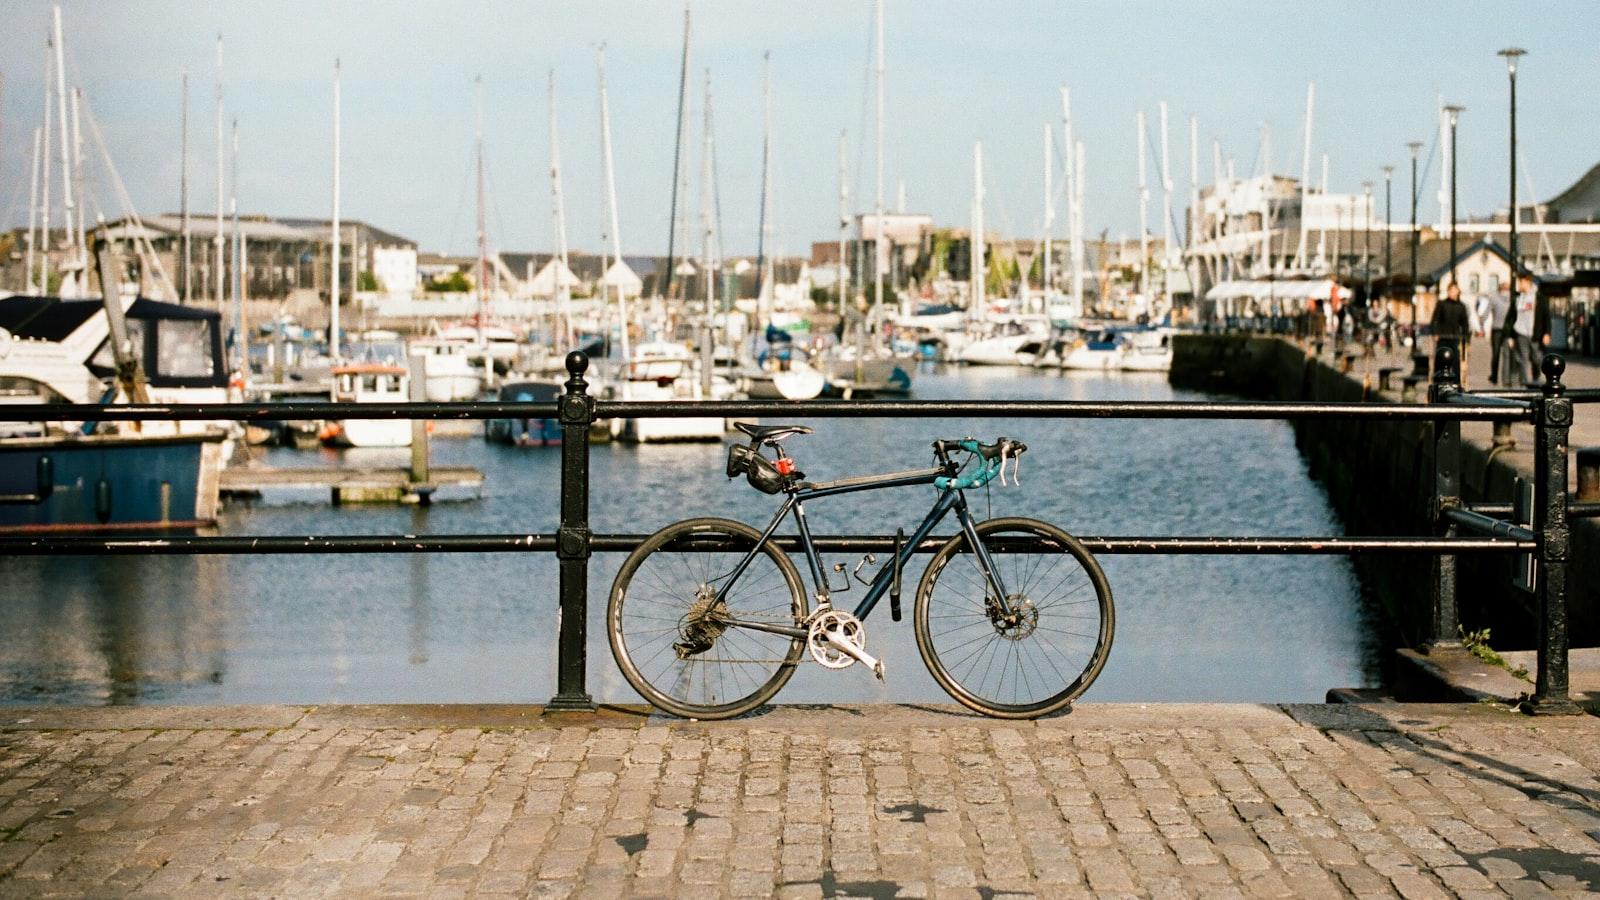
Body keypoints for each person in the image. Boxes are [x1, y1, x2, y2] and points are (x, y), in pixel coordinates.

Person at [1507, 274, 1547, 386]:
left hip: (1535, 334)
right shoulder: (1518, 299)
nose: (1519, 285)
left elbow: (1546, 316)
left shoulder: (1538, 297)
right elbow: (1511, 318)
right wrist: (1511, 336)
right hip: (1520, 333)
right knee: (1522, 359)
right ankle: (1524, 383)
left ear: (1527, 282)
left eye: (1521, 282)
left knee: (1537, 358)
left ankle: (1536, 380)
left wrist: (1547, 333)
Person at [1430, 281, 1472, 381]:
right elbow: (1435, 320)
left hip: (1455, 337)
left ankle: (1456, 382)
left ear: (1458, 291)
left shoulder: (1461, 306)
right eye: (1450, 290)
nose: (1452, 292)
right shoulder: (1442, 304)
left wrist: (1467, 340)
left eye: (1454, 290)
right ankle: (1438, 381)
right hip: (1443, 336)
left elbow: (1465, 324)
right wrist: (1435, 333)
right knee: (1440, 359)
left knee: (1455, 360)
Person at [1485, 284, 1512, 385]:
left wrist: (1482, 321)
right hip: (1508, 330)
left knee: (1496, 354)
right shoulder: (1511, 299)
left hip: (1496, 329)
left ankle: (1494, 376)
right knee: (1507, 355)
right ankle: (1506, 378)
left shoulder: (1493, 298)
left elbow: (1486, 312)